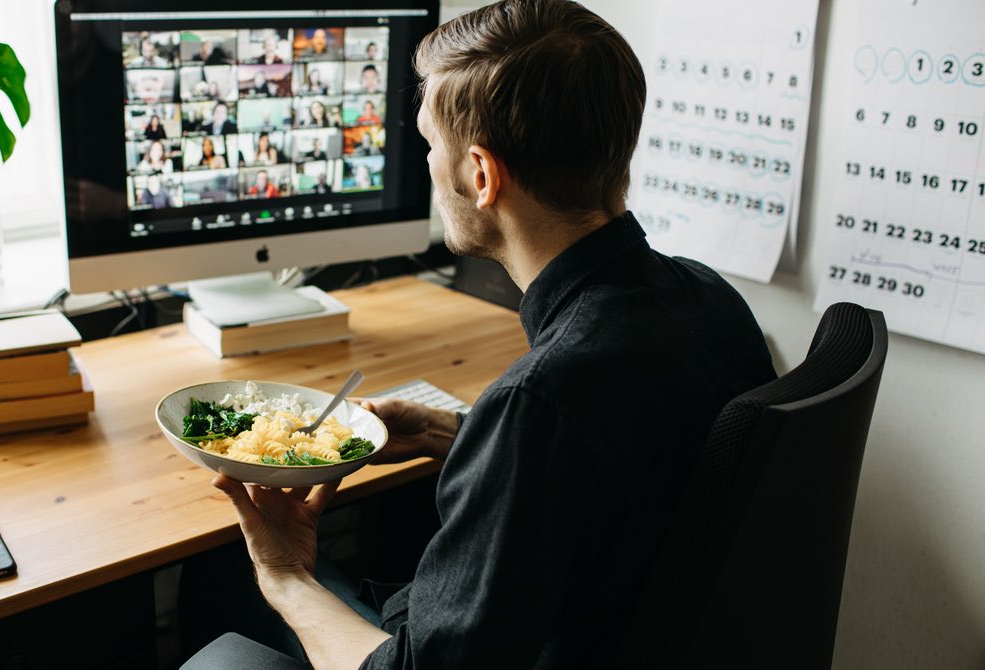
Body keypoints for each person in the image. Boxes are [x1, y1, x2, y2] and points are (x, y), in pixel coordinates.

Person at [189, 0, 776, 668]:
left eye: (431, 144)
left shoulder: (542, 402)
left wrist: (283, 573)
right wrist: (457, 435)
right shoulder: (707, 299)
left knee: (231, 586)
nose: (429, 165)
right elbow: (626, 480)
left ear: (481, 174)